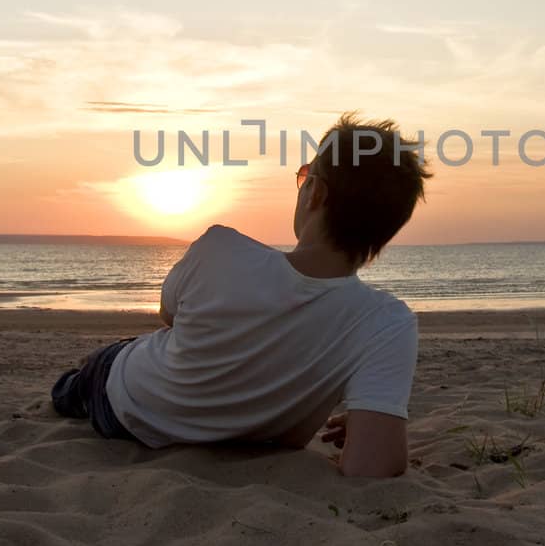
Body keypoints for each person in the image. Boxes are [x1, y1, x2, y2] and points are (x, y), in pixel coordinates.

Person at [51, 113, 431, 478]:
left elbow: (169, 315)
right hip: (232, 429)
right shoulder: (386, 324)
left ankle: (88, 367)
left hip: (126, 406)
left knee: (91, 376)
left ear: (315, 192)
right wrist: (372, 420)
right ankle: (96, 361)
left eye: (304, 177)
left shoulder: (220, 249)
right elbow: (372, 467)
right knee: (124, 352)